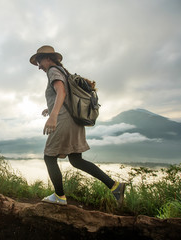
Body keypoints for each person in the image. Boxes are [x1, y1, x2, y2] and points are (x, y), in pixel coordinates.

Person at [29, 45, 125, 206]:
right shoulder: (63, 72)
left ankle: (59, 196)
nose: (39, 67)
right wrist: (50, 108)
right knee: (76, 160)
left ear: (47, 58)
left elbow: (62, 92)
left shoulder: (53, 70)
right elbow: (65, 96)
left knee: (49, 157)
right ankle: (115, 186)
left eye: (39, 61)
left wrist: (53, 116)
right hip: (74, 121)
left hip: (63, 121)